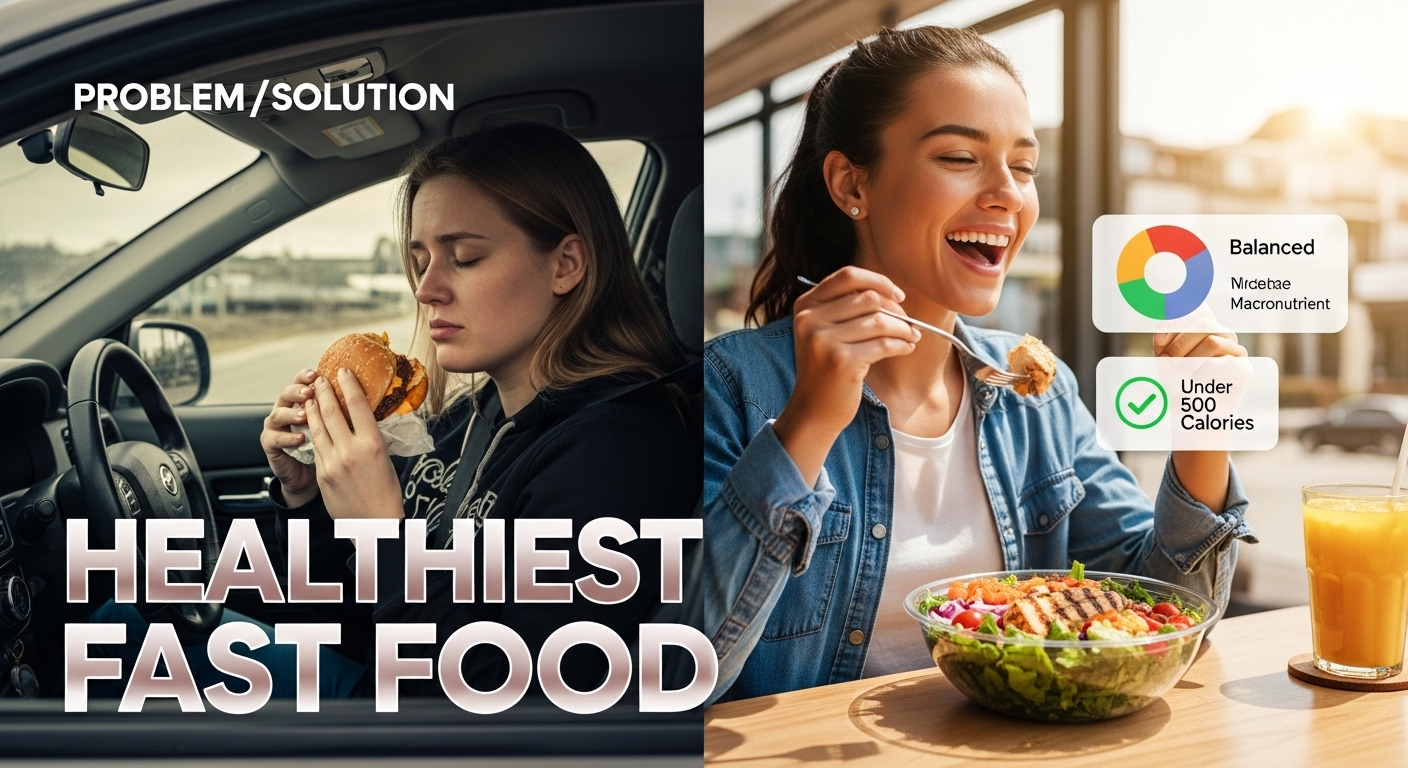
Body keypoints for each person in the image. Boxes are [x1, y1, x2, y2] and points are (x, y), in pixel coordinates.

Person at [702, 26, 1256, 703]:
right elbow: (683, 668)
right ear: (852, 184)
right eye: (961, 156)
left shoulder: (1038, 395)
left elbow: (1166, 624)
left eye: (1023, 168)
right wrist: (808, 425)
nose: (1007, 194)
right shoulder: (729, 385)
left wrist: (1204, 431)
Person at [259, 121, 700, 696]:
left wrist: (383, 539)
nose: (426, 289)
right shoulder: (471, 416)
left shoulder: (621, 453)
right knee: (137, 618)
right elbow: (349, 621)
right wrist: (308, 494)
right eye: (421, 260)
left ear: (565, 265)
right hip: (378, 690)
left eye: (463, 257)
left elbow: (504, 696)